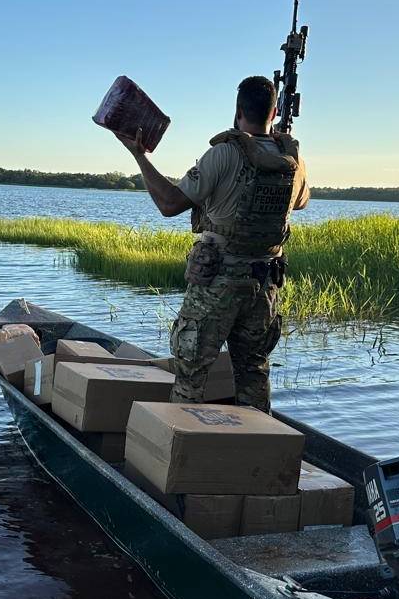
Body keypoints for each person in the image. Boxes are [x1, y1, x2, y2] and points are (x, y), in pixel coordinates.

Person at [114, 75, 309, 412]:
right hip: (264, 287)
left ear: (237, 111)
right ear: (274, 112)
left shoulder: (223, 154)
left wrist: (140, 156)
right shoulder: (293, 161)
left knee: (191, 375)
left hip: (217, 282)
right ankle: (257, 450)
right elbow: (302, 201)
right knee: (253, 373)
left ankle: (179, 452)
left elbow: (170, 204)